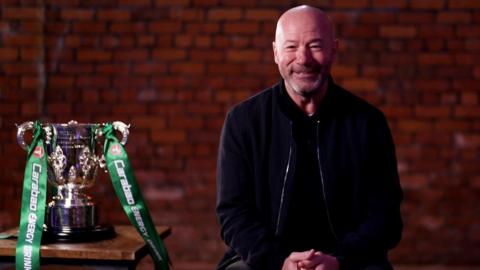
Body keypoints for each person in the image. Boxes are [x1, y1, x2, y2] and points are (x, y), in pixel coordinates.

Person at [216, 5, 403, 270]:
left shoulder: (368, 123)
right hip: (265, 259)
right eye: (291, 47)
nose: (303, 59)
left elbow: (385, 217)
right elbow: (233, 214)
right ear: (275, 53)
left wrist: (339, 261)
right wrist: (279, 261)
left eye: (314, 45)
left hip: (349, 260)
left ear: (334, 49)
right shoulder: (243, 121)